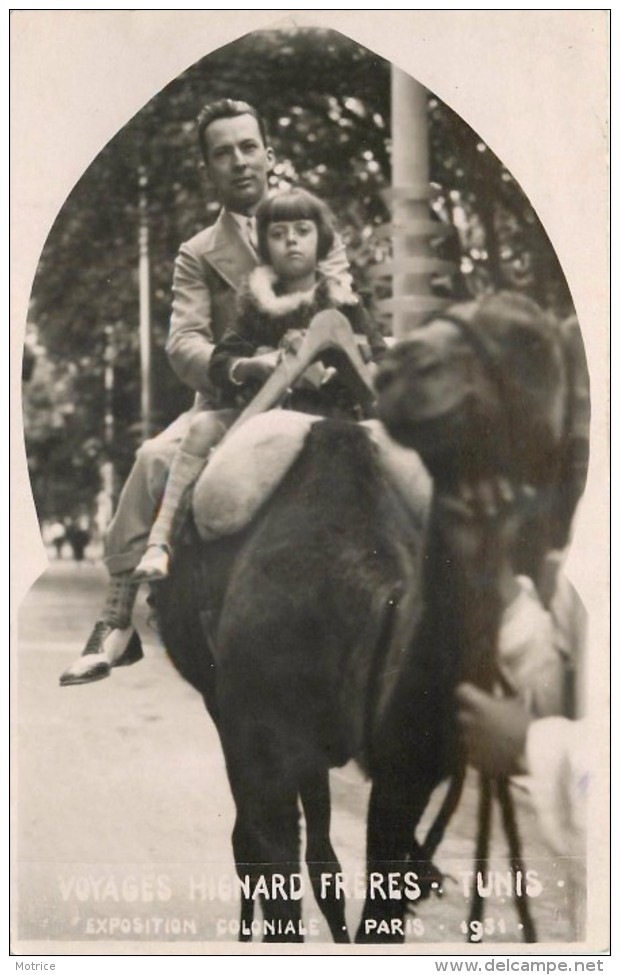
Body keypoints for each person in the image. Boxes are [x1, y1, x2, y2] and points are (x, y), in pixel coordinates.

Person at [60, 99, 351, 687]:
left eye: (248, 147)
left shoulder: (314, 225)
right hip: (231, 400)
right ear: (208, 168)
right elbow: (184, 343)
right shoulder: (197, 253)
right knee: (152, 458)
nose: (239, 162)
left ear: (268, 154)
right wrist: (243, 368)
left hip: (319, 392)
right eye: (223, 153)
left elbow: (342, 304)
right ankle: (116, 621)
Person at [132, 188, 385, 582]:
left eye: (303, 230)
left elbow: (379, 358)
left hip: (332, 413)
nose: (292, 241)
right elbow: (220, 360)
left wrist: (355, 361)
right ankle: (161, 541)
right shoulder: (256, 304)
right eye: (279, 233)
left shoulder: (345, 303)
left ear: (321, 239)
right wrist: (252, 365)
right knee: (201, 429)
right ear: (264, 245)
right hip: (262, 413)